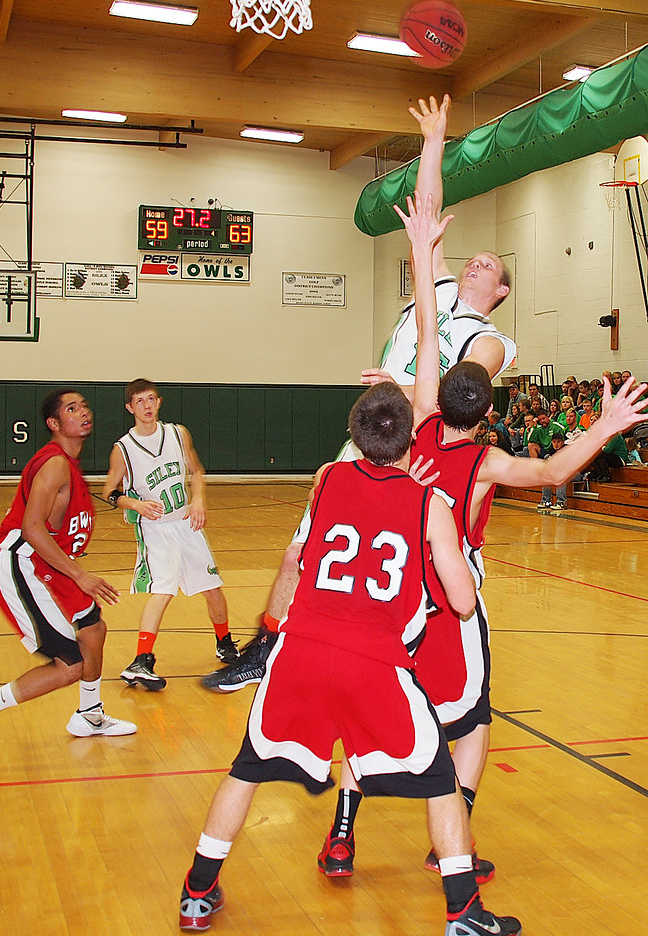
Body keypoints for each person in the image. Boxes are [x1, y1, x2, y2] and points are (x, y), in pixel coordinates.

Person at [320, 191, 648, 889]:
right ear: (490, 409)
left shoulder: (415, 423)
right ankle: (451, 842)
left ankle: (342, 834)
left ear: (435, 395)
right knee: (469, 722)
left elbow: (430, 319)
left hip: (393, 588)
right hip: (450, 590)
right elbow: (556, 468)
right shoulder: (485, 461)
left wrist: (419, 250)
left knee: (378, 715)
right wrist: (605, 425)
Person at [179, 381, 522, 936]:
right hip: (376, 665)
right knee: (439, 784)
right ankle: (463, 912)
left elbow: (307, 549)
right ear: (413, 438)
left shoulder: (326, 478)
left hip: (299, 654)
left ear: (352, 436)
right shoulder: (428, 503)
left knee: (245, 772)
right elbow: (461, 602)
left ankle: (198, 891)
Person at [202, 91, 517, 693]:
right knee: (304, 547)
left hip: (421, 445)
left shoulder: (493, 340)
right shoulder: (439, 288)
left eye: (488, 266)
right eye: (470, 259)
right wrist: (432, 142)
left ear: (501, 291)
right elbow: (429, 209)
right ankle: (267, 646)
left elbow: (463, 388)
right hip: (377, 427)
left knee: (399, 565)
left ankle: (403, 663)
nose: (475, 264)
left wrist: (406, 381)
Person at [0, 390, 136, 776]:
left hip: (48, 563)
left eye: (85, 406)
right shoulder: (56, 465)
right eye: (72, 409)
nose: (84, 412)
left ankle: (89, 715)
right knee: (69, 666)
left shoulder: (68, 464)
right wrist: (80, 575)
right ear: (54, 425)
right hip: (21, 563)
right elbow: (31, 529)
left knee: (93, 628)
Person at [101, 379, 239, 692]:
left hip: (185, 524)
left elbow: (196, 470)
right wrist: (134, 502)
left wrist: (199, 499)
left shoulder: (178, 433)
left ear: (159, 402)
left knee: (212, 588)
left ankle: (225, 643)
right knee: (163, 589)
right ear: (130, 407)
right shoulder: (123, 449)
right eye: (139, 401)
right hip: (155, 529)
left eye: (151, 399)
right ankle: (142, 659)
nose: (147, 406)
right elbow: (109, 490)